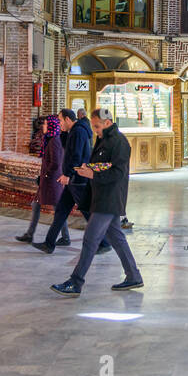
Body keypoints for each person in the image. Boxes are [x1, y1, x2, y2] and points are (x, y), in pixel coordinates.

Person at [50, 108, 143, 296]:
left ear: (108, 123)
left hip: (109, 199)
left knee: (90, 239)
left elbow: (118, 173)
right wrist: (88, 169)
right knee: (117, 238)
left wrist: (93, 174)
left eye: (97, 126)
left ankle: (75, 282)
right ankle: (133, 276)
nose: (95, 130)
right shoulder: (104, 139)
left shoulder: (119, 142)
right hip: (101, 195)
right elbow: (102, 165)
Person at [33, 109, 110, 254]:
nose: (59, 123)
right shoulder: (72, 132)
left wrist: (68, 174)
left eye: (61, 121)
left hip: (78, 178)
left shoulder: (78, 132)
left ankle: (104, 243)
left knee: (87, 212)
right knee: (61, 211)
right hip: (74, 178)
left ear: (68, 119)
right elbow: (67, 148)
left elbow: (76, 155)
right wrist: (62, 132)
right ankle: (49, 244)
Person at [16, 114, 61, 244]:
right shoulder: (49, 140)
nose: (43, 126)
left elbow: (56, 163)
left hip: (51, 181)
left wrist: (46, 175)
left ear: (51, 126)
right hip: (46, 180)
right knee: (37, 204)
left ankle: (65, 236)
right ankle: (30, 234)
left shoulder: (54, 141)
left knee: (58, 209)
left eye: (46, 124)